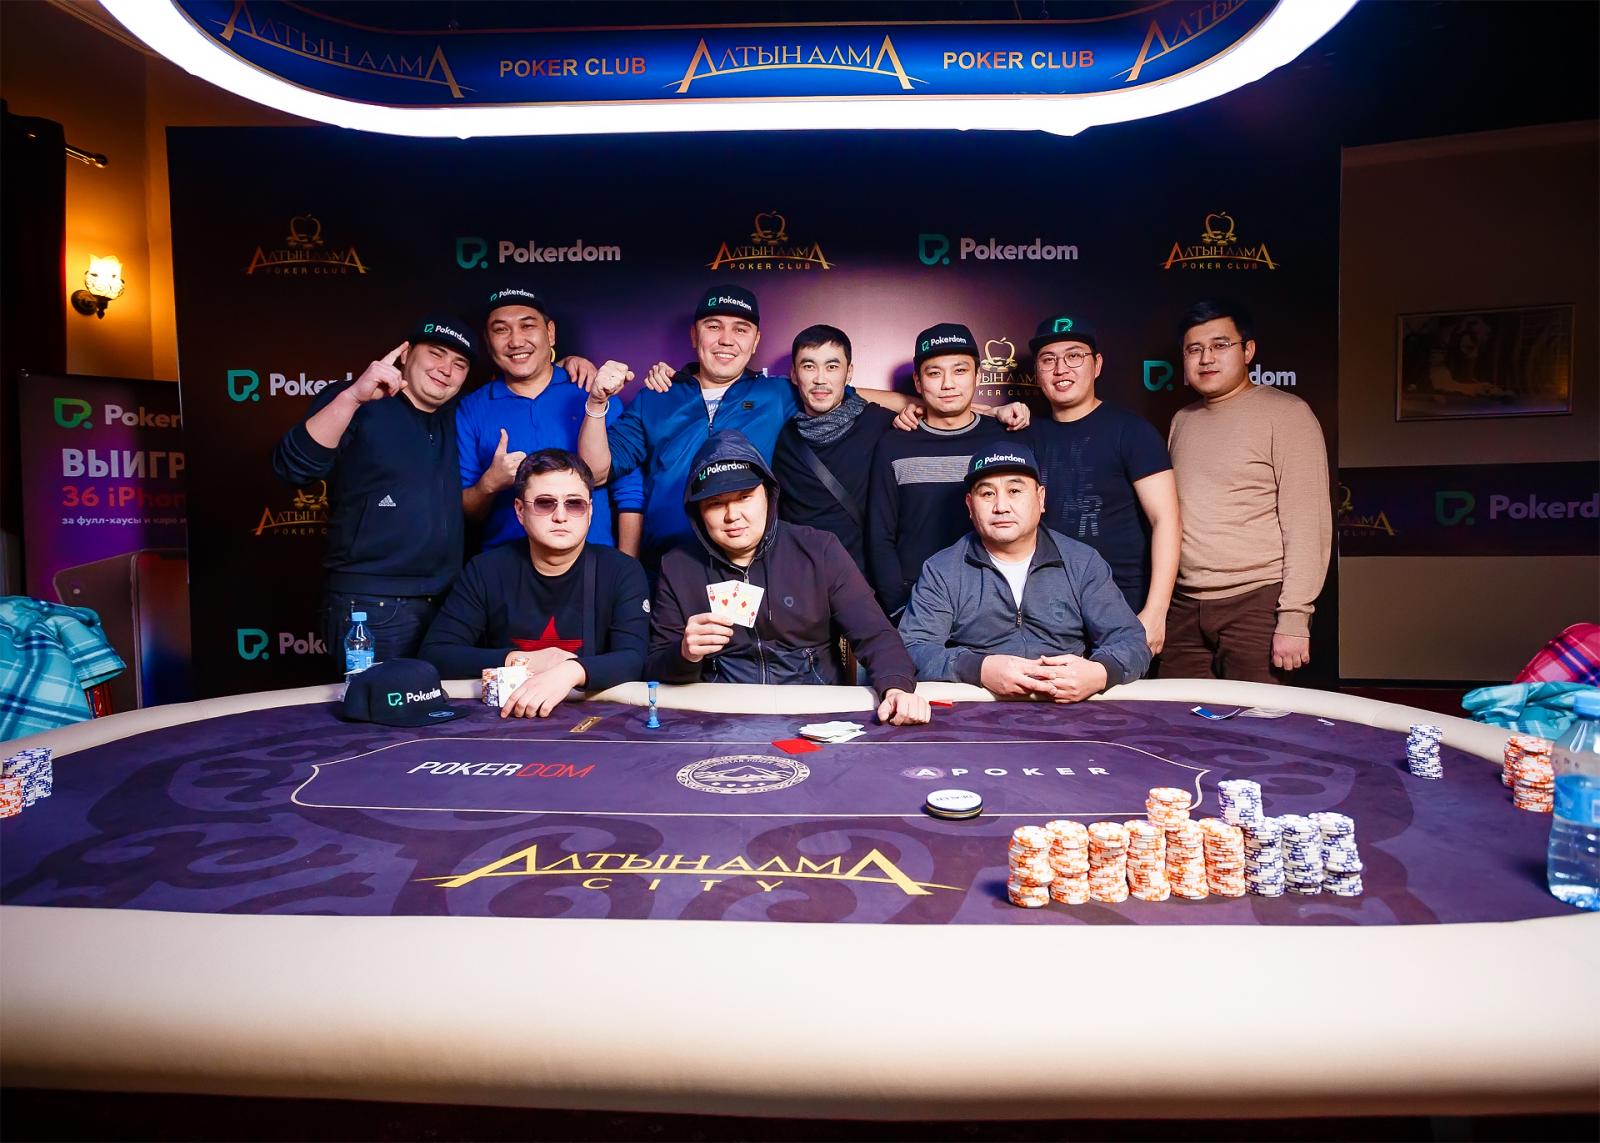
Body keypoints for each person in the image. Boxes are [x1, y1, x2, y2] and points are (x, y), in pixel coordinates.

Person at [577, 285, 916, 573]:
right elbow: (595, 471)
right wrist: (596, 401)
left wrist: (926, 406)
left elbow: (837, 391)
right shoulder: (656, 396)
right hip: (670, 563)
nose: (726, 340)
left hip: (753, 566)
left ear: (755, 341)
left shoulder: (776, 394)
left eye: (740, 329)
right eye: (713, 326)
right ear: (694, 335)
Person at [646, 430, 930, 725]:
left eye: (745, 497)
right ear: (698, 511)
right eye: (715, 503)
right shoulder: (677, 566)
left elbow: (875, 634)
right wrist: (684, 654)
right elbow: (655, 666)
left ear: (768, 495)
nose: (732, 515)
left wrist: (896, 688)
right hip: (721, 716)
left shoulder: (819, 550)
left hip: (813, 710)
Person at [272, 315, 476, 669]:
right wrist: (353, 397)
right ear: (406, 354)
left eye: (459, 364)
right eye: (436, 353)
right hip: (371, 605)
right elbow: (294, 468)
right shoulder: (356, 399)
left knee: (443, 707)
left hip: (446, 606)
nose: (446, 369)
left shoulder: (457, 416)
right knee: (374, 705)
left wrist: (566, 364)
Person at [897, 443, 1151, 701]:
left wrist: (1100, 672)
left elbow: (1131, 641)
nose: (1001, 506)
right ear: (970, 506)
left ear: (1041, 499)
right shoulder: (942, 570)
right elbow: (913, 648)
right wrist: (979, 668)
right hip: (980, 708)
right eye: (987, 494)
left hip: (1068, 706)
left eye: (1015, 491)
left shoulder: (1082, 562)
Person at [1161, 300, 1331, 683]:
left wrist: (1294, 617)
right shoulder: (1182, 421)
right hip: (1185, 604)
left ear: (1248, 350)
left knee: (1255, 717)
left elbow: (1307, 523)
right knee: (1176, 716)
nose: (1206, 358)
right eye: (1194, 349)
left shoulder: (1287, 414)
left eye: (1220, 345)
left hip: (1257, 602)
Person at [420, 449, 648, 718]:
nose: (560, 516)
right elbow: (435, 654)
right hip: (505, 718)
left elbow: (634, 659)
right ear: (520, 510)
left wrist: (570, 672)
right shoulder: (486, 570)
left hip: (595, 719)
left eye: (574, 504)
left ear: (589, 511)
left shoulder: (622, 571)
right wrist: (521, 660)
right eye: (544, 503)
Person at [1023, 313, 1180, 653]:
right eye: (1048, 360)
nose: (1061, 369)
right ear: (1037, 372)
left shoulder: (1132, 431)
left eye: (1074, 356)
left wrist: (1155, 612)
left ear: (1097, 365)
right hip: (1048, 610)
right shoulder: (1026, 436)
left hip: (1121, 604)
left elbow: (1165, 520)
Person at [456, 285, 644, 556]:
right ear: (487, 341)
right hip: (506, 566)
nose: (516, 341)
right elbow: (468, 512)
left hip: (593, 562)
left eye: (527, 326)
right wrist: (489, 484)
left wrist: (628, 566)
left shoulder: (593, 390)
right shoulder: (471, 409)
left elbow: (629, 491)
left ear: (551, 332)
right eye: (501, 330)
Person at [866, 323, 1007, 618]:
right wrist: (898, 607)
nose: (948, 384)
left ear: (978, 376)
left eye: (960, 370)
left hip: (995, 604)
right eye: (934, 373)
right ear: (918, 382)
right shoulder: (894, 444)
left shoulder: (1004, 440)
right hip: (917, 601)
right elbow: (880, 536)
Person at [769, 325, 899, 573]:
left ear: (848, 373)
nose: (820, 379)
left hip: (865, 580)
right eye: (809, 366)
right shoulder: (783, 437)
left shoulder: (882, 424)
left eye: (832, 367)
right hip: (802, 580)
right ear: (794, 374)